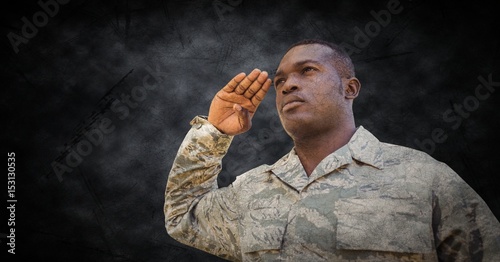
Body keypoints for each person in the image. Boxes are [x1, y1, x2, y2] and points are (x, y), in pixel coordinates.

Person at [164, 39, 500, 261]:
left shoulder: (424, 177)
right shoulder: (250, 191)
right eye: (280, 82)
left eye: (307, 71)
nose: (288, 85)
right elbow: (183, 216)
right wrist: (215, 131)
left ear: (350, 88)